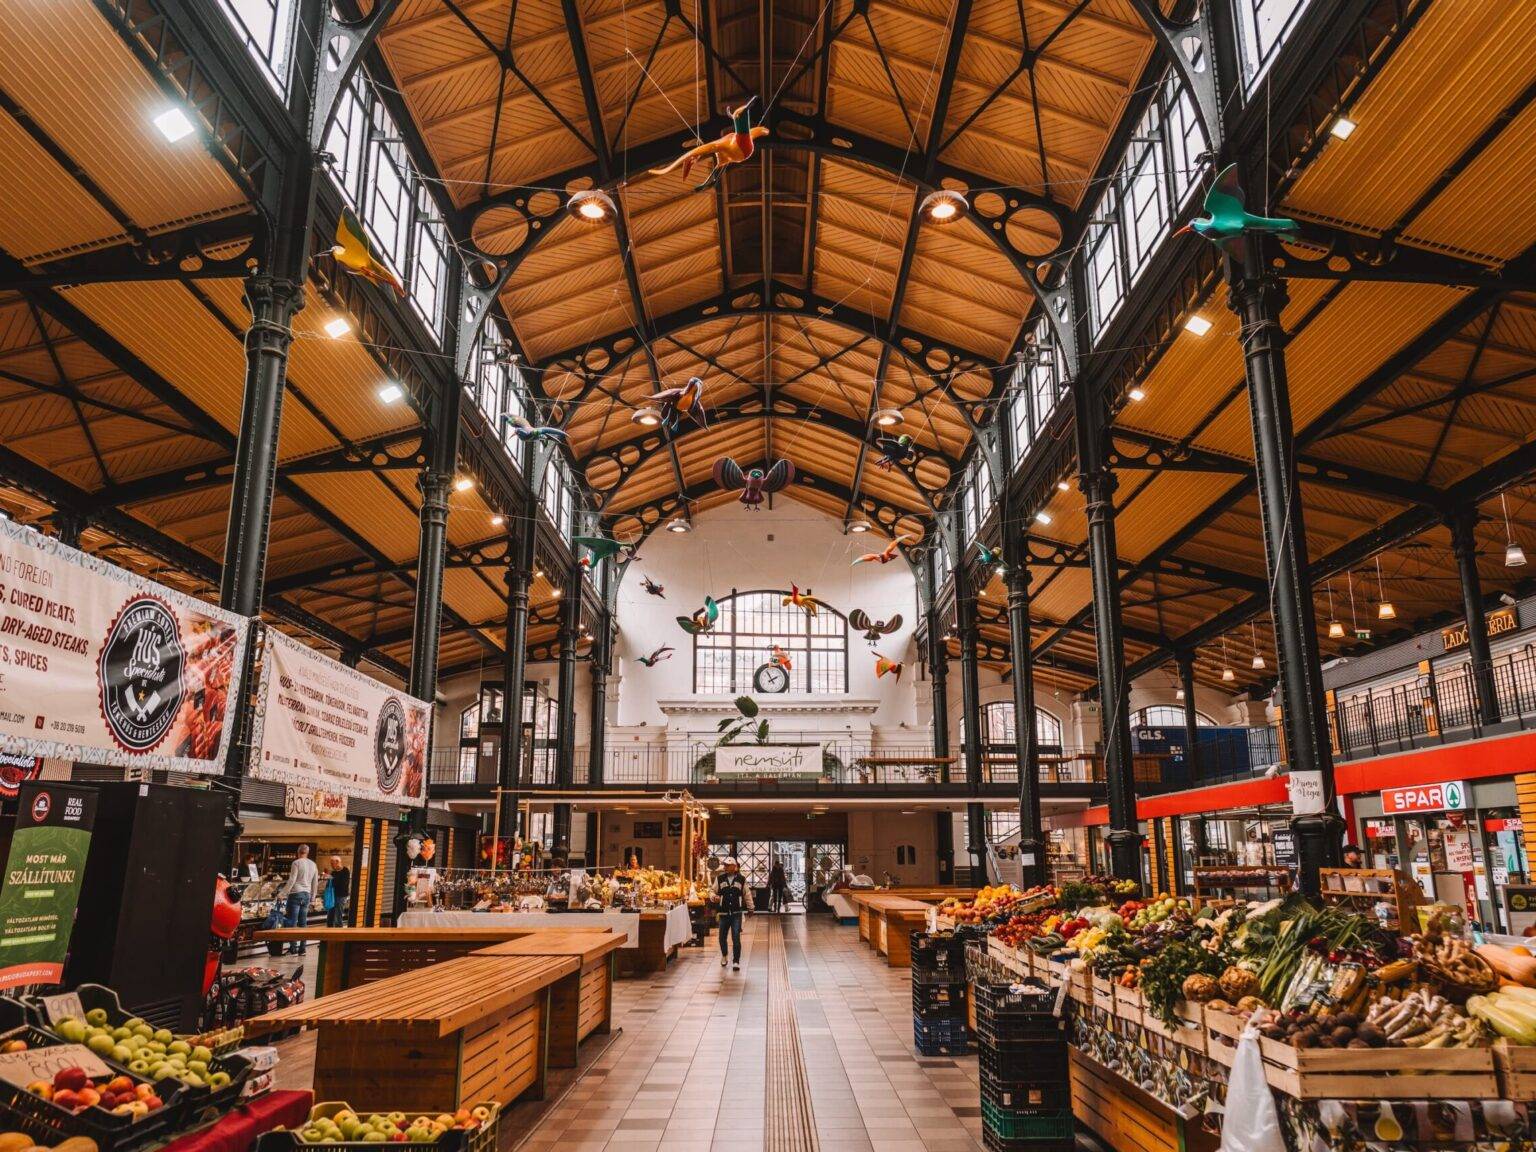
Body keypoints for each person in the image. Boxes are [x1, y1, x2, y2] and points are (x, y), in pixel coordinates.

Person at [277, 844, 318, 955]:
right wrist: (313, 898)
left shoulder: (296, 863)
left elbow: (292, 880)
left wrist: (282, 894)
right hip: (307, 895)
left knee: (292, 922)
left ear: (298, 852)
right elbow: (315, 882)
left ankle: (293, 949)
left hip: (295, 894)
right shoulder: (313, 864)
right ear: (307, 852)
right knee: (303, 923)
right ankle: (303, 949)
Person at [713, 856, 751, 970]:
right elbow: (712, 890)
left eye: (728, 865)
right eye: (725, 865)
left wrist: (751, 907)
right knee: (722, 937)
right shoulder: (719, 879)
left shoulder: (741, 879)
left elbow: (747, 894)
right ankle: (724, 955)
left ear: (734, 867)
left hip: (736, 913)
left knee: (736, 937)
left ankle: (736, 961)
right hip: (723, 913)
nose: (725, 867)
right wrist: (713, 897)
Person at [325, 855, 351, 927]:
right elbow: (331, 884)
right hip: (333, 895)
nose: (331, 865)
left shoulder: (345, 870)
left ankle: (338, 930)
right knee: (330, 914)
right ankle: (328, 930)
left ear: (337, 862)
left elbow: (343, 883)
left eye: (332, 863)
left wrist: (332, 878)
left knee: (338, 914)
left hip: (341, 896)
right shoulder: (333, 872)